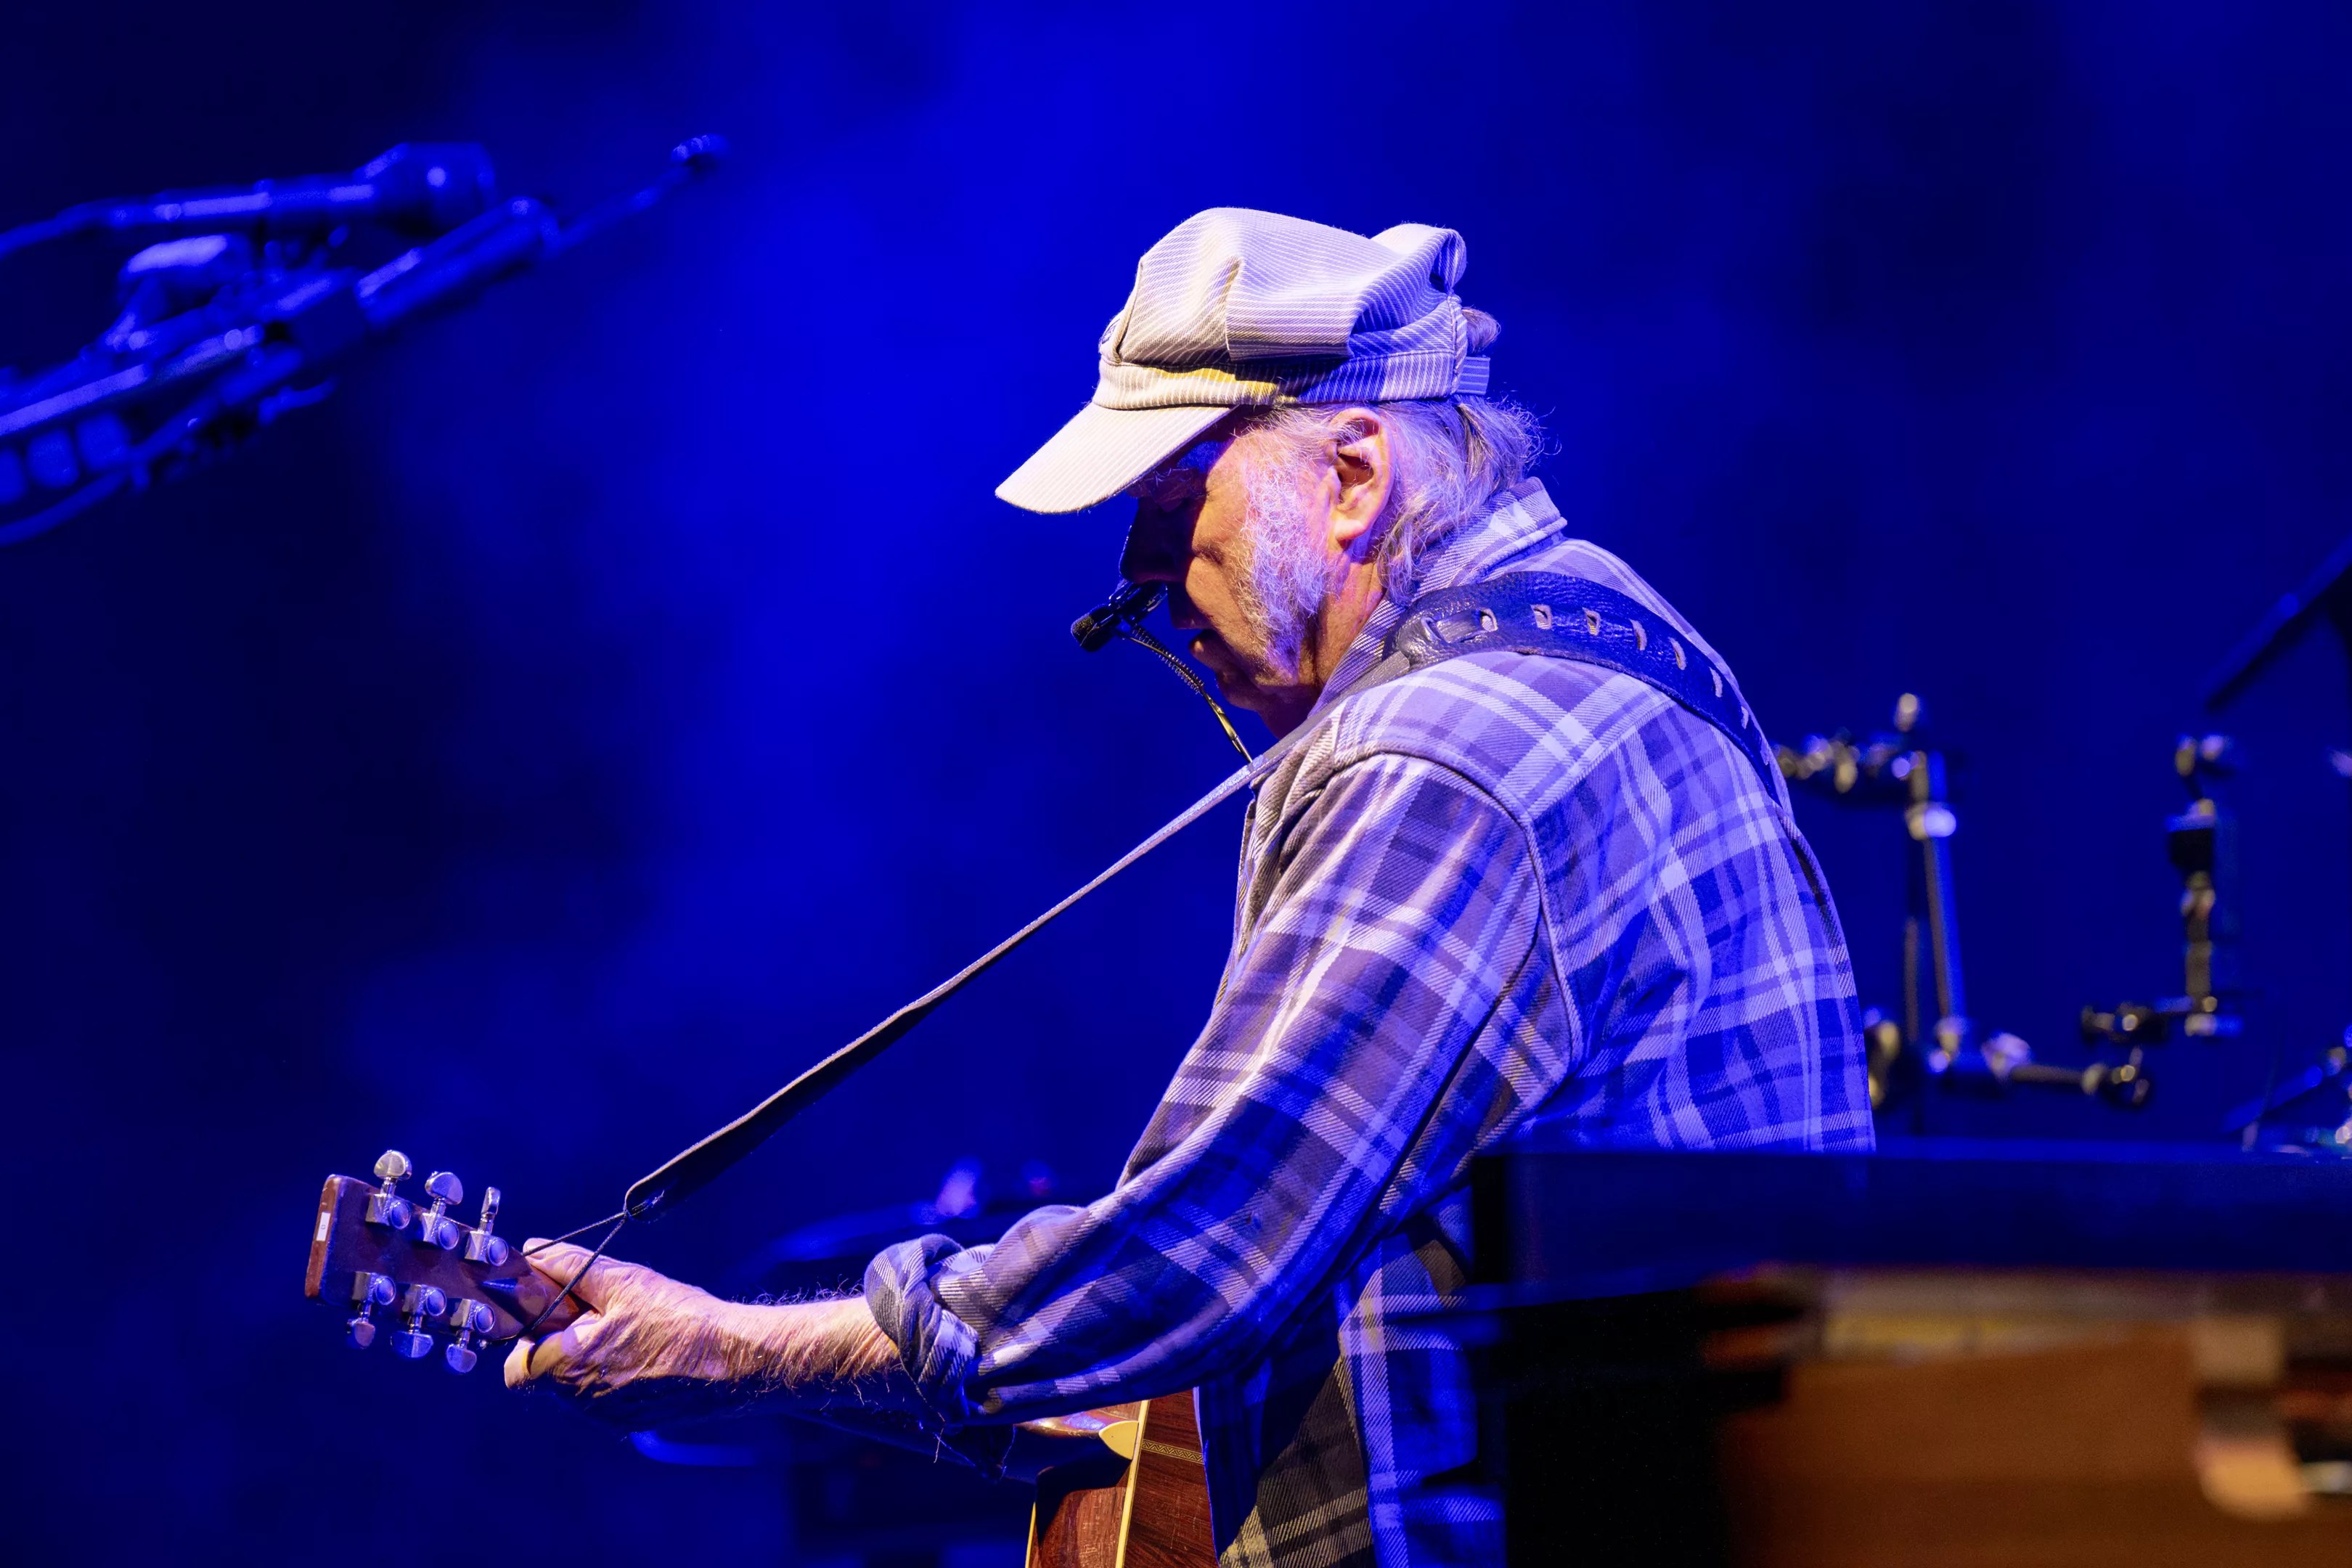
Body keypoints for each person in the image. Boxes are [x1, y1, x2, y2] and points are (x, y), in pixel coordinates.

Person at [505, 208, 1872, 1567]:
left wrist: (732, 1346)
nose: (1140, 581)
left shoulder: (1443, 758)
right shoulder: (1612, 637)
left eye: (1172, 505)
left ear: (1351, 476)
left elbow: (1209, 1249)